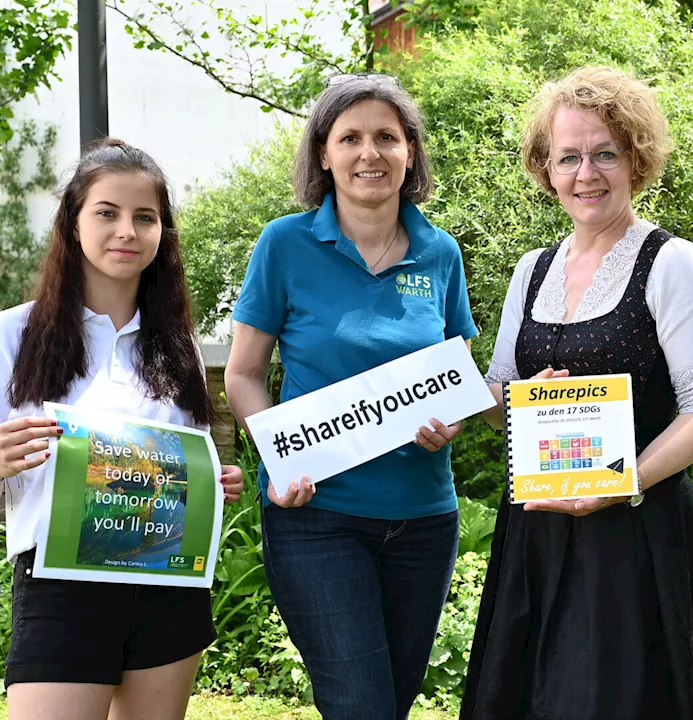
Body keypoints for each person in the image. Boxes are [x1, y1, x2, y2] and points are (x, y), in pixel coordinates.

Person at [461, 65, 693, 720]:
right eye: (569, 157)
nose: (587, 173)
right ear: (545, 169)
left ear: (636, 161)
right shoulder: (533, 270)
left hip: (632, 538)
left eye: (605, 154)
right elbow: (501, 395)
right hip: (536, 533)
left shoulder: (675, 265)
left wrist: (622, 481)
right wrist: (519, 399)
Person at [0, 138, 245, 720]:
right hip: (62, 588)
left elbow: (177, 466)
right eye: (106, 213)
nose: (126, 231)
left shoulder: (177, 346)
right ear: (73, 223)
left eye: (145, 217)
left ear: (163, 234)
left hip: (167, 583)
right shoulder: (8, 336)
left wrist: (209, 481)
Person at [223, 73, 478, 720]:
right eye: (351, 138)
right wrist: (279, 458)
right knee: (360, 704)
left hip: (424, 519)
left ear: (411, 152)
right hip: (317, 516)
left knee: (392, 701)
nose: (371, 153)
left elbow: (457, 376)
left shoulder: (440, 253)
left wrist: (450, 421)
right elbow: (244, 374)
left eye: (387, 138)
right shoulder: (285, 245)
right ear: (324, 154)